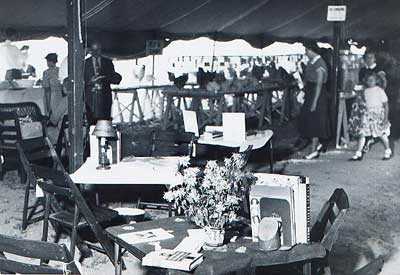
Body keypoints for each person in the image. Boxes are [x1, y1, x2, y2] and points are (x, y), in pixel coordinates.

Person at [298, 41, 331, 160]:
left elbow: (319, 85)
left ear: (312, 50)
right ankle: (317, 145)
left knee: (315, 123)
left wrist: (314, 102)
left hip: (318, 95)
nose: (305, 52)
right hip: (311, 93)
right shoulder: (312, 63)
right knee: (309, 121)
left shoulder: (320, 63)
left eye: (306, 50)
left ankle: (313, 151)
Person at [349, 73, 391, 161]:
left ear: (376, 81)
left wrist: (385, 119)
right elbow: (366, 102)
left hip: (378, 114)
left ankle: (387, 150)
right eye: (368, 80)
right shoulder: (366, 91)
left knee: (381, 134)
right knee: (362, 133)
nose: (370, 82)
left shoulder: (380, 90)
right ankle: (358, 153)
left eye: (372, 80)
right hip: (368, 115)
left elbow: (386, 105)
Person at [84, 40, 121, 124]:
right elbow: (82, 81)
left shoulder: (108, 62)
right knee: (91, 123)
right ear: (90, 51)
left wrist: (105, 78)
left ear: (101, 50)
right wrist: (90, 82)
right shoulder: (85, 64)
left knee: (105, 123)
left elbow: (114, 78)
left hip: (105, 99)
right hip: (90, 100)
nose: (96, 52)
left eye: (98, 50)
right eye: (94, 50)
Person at [42, 53, 62, 122]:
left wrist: (47, 104)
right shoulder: (60, 70)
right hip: (61, 95)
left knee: (51, 114)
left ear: (50, 61)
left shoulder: (46, 73)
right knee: (60, 113)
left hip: (51, 96)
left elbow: (46, 88)